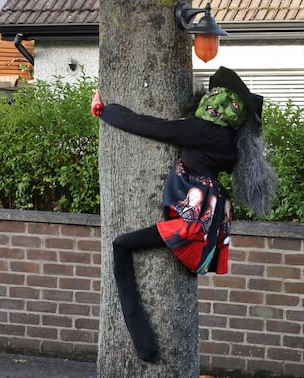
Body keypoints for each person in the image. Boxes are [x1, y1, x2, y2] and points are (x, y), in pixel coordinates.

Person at [91, 67, 277, 362]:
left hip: (193, 221)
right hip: (207, 218)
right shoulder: (228, 140)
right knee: (124, 245)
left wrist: (106, 110)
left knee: (121, 244)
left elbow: (154, 127)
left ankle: (144, 344)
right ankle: (145, 344)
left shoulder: (203, 132)